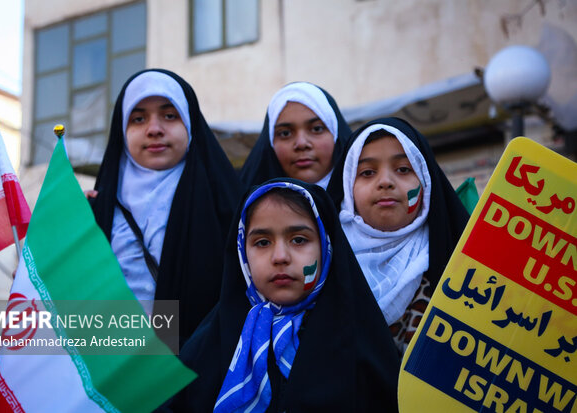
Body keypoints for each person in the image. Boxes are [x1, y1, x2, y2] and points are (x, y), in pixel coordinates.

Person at [164, 179, 400, 412]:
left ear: (327, 247)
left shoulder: (361, 341)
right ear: (242, 252)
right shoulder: (211, 343)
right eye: (262, 242)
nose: (280, 256)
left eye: (299, 240)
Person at [89, 69, 242, 346]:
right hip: (112, 364)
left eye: (169, 115)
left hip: (199, 369)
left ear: (190, 123)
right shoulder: (93, 207)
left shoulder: (227, 203)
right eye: (138, 118)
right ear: (122, 130)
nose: (154, 129)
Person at [327, 117, 470, 357]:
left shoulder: (459, 265)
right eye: (367, 172)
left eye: (404, 169)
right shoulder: (323, 264)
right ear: (347, 188)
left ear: (426, 181)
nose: (385, 182)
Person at [239, 82, 352, 190]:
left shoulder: (365, 205)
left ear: (336, 135)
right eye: (285, 133)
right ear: (270, 143)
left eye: (317, 129)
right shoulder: (251, 208)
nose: (301, 144)